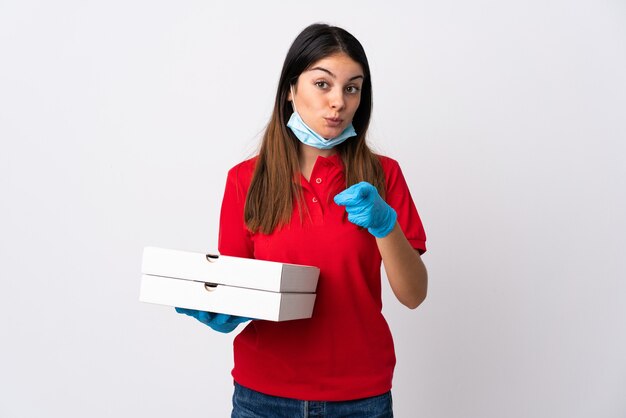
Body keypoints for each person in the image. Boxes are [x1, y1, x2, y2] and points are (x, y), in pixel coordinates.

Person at [176, 23, 428, 417]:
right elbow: (239, 289)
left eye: (352, 87)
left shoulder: (384, 176)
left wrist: (385, 224)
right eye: (322, 84)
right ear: (290, 91)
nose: (338, 103)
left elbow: (414, 294)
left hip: (360, 398)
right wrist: (221, 309)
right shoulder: (245, 180)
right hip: (263, 397)